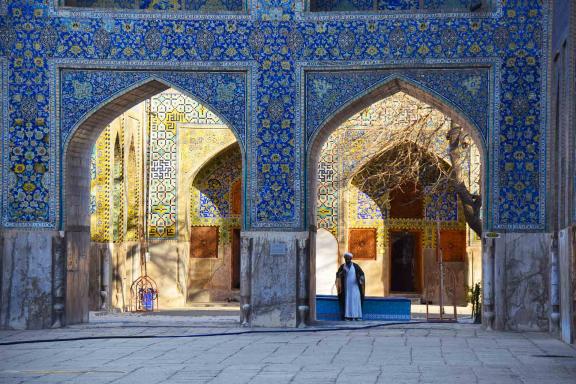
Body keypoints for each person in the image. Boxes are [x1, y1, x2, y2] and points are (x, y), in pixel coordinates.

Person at [335, 252, 365, 321]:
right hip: (346, 288)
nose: (347, 261)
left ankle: (357, 316)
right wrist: (342, 273)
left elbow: (361, 274)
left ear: (351, 259)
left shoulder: (356, 266)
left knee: (355, 300)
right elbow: (338, 275)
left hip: (355, 287)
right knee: (347, 301)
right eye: (346, 259)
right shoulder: (343, 267)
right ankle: (348, 316)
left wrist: (361, 279)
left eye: (348, 259)